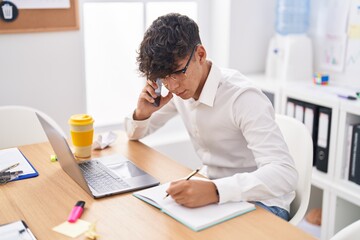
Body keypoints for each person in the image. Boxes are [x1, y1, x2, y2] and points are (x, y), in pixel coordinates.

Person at [124, 13, 298, 221]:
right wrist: (142, 114)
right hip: (216, 193)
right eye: (162, 78)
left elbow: (284, 174)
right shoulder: (180, 91)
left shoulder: (242, 97)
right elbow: (134, 135)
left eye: (176, 73)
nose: (172, 86)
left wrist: (216, 191)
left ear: (200, 54)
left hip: (263, 201)